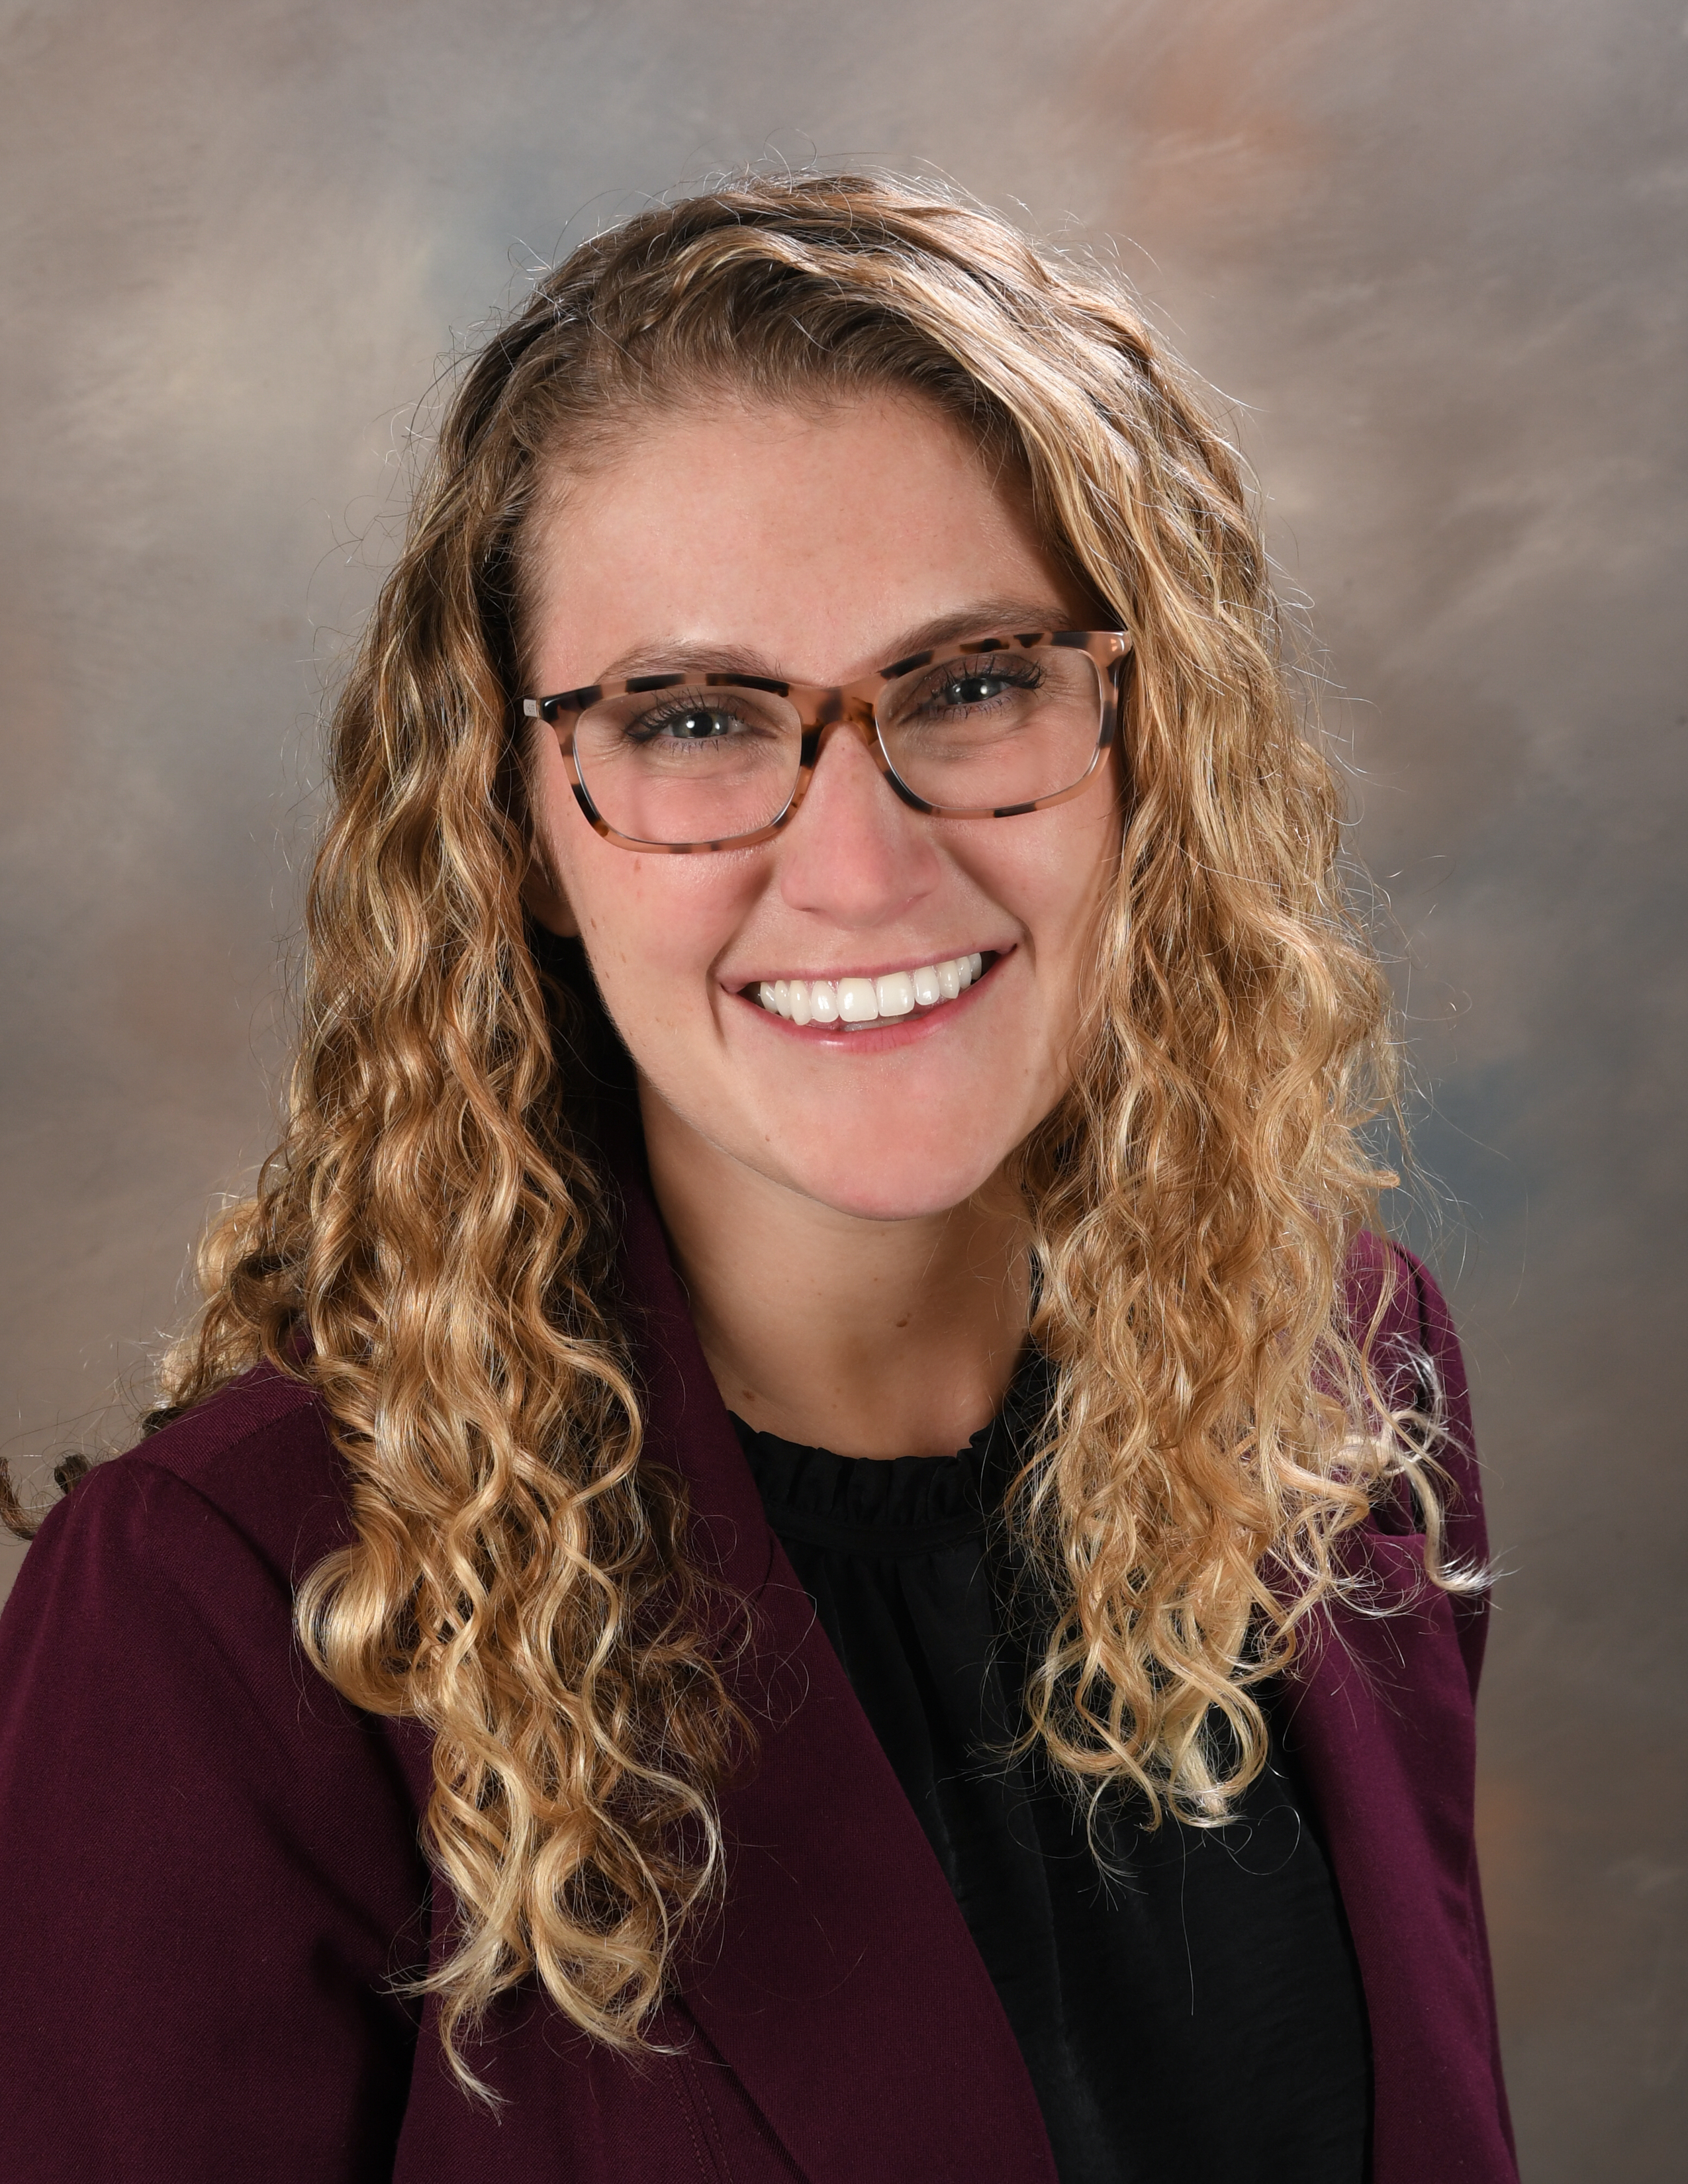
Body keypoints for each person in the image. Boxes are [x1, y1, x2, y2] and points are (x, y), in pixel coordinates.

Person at [0, 173, 1517, 2183]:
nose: (864, 864)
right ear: (514, 824)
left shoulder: (1341, 1386)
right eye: (696, 718)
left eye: (974, 681)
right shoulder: (231, 1607)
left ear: (1155, 740)